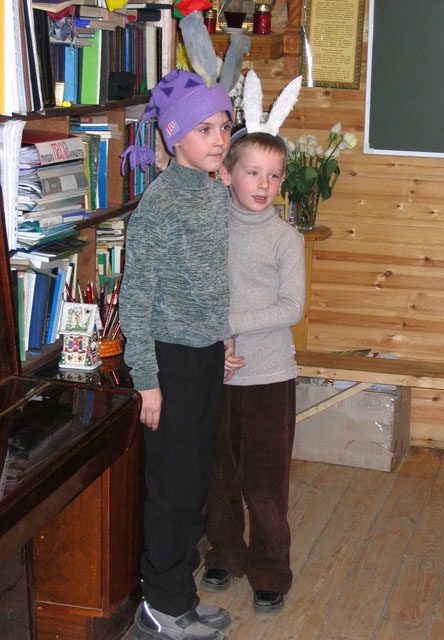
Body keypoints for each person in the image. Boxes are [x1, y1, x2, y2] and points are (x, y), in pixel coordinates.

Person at [119, 69, 240, 640]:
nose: (219, 139)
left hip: (205, 354)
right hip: (170, 362)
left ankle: (181, 596)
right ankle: (159, 609)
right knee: (172, 488)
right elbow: (136, 298)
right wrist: (147, 379)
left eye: (224, 126)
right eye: (203, 129)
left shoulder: (212, 192)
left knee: (194, 482)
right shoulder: (160, 205)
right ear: (173, 136)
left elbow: (209, 277)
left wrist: (223, 336)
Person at [201, 128, 306, 613]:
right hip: (215, 373)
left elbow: (291, 308)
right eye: (253, 173)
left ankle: (271, 568)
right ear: (226, 175)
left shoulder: (285, 239)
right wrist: (213, 338)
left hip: (269, 377)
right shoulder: (209, 230)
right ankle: (224, 553)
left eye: (274, 175)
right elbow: (198, 293)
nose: (264, 184)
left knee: (265, 482)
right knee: (219, 474)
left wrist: (229, 325)